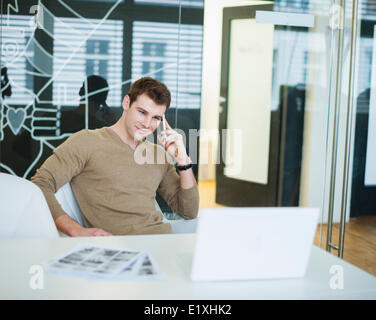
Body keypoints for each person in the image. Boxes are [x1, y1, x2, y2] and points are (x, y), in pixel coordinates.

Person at [31, 77, 199, 237]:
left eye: (156, 118)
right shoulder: (87, 141)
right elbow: (40, 184)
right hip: (119, 250)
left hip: (163, 242)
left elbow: (189, 211)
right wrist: (75, 230)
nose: (147, 124)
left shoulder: (158, 155)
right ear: (126, 103)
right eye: (142, 112)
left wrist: (183, 161)